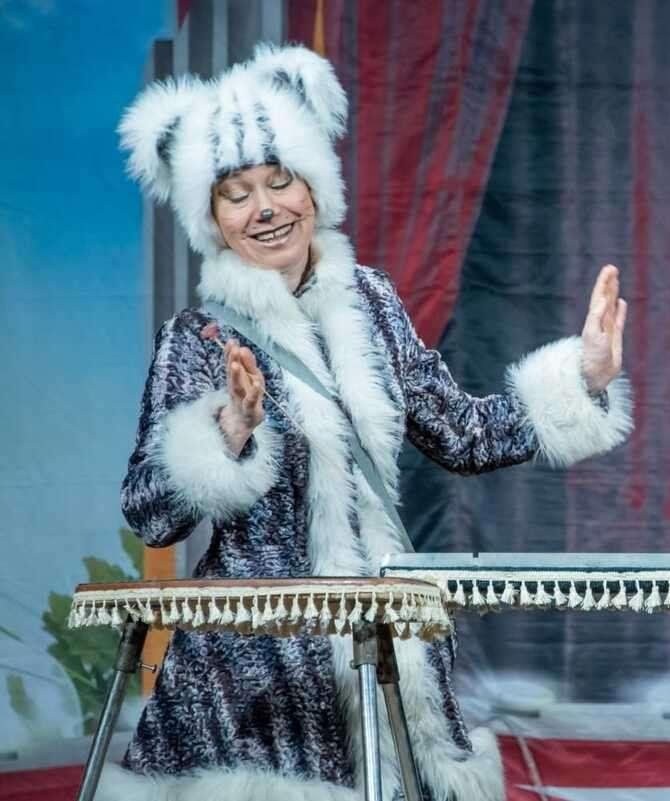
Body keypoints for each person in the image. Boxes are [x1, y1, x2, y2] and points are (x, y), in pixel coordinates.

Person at [107, 44, 633, 801]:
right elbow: (149, 513)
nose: (265, 208)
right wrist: (228, 429)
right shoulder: (199, 337)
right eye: (236, 193)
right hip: (255, 680)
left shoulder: (374, 305)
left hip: (385, 655)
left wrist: (583, 376)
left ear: (313, 186)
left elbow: (462, 434)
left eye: (280, 180)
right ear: (212, 219)